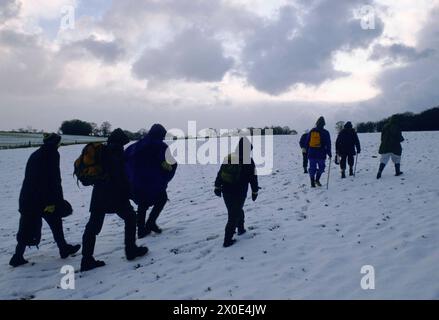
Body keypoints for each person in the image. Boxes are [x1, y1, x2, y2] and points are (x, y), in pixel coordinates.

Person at [81, 129, 148, 272]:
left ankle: (86, 259)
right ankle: (131, 250)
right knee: (130, 218)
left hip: (98, 195)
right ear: (120, 142)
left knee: (92, 227)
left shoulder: (101, 151)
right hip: (116, 196)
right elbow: (121, 177)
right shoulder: (116, 153)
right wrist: (130, 193)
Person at [9, 133, 80, 268]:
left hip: (28, 198)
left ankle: (18, 256)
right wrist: (54, 202)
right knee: (52, 223)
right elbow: (53, 180)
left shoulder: (36, 153)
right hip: (41, 199)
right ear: (56, 143)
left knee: (28, 226)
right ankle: (62, 249)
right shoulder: (52, 154)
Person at [124, 124, 177, 238]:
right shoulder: (161, 147)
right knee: (161, 199)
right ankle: (150, 223)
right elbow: (172, 164)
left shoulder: (136, 146)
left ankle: (142, 229)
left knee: (142, 205)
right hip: (153, 182)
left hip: (136, 183)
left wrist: (129, 178)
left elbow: (125, 160)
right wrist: (165, 176)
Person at [214, 137, 260, 248]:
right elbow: (253, 178)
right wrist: (254, 192)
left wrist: (217, 186)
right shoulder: (249, 160)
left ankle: (241, 228)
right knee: (233, 214)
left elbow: (220, 173)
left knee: (235, 210)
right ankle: (227, 240)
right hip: (240, 192)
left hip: (226, 191)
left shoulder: (229, 157)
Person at [306, 116, 332, 188]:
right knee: (321, 167)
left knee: (312, 168)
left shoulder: (312, 131)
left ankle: (312, 182)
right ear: (324, 124)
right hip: (321, 154)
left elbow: (307, 142)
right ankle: (317, 180)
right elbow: (328, 144)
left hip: (311, 153)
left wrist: (307, 151)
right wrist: (329, 153)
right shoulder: (326, 132)